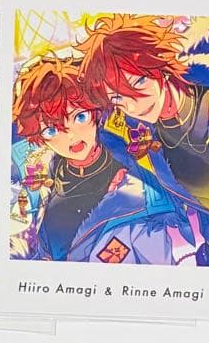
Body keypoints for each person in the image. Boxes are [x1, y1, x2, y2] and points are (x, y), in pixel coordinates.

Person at [10, 55, 196, 264]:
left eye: (80, 117)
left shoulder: (141, 193)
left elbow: (160, 271)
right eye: (52, 130)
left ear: (97, 111)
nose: (71, 136)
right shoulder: (31, 177)